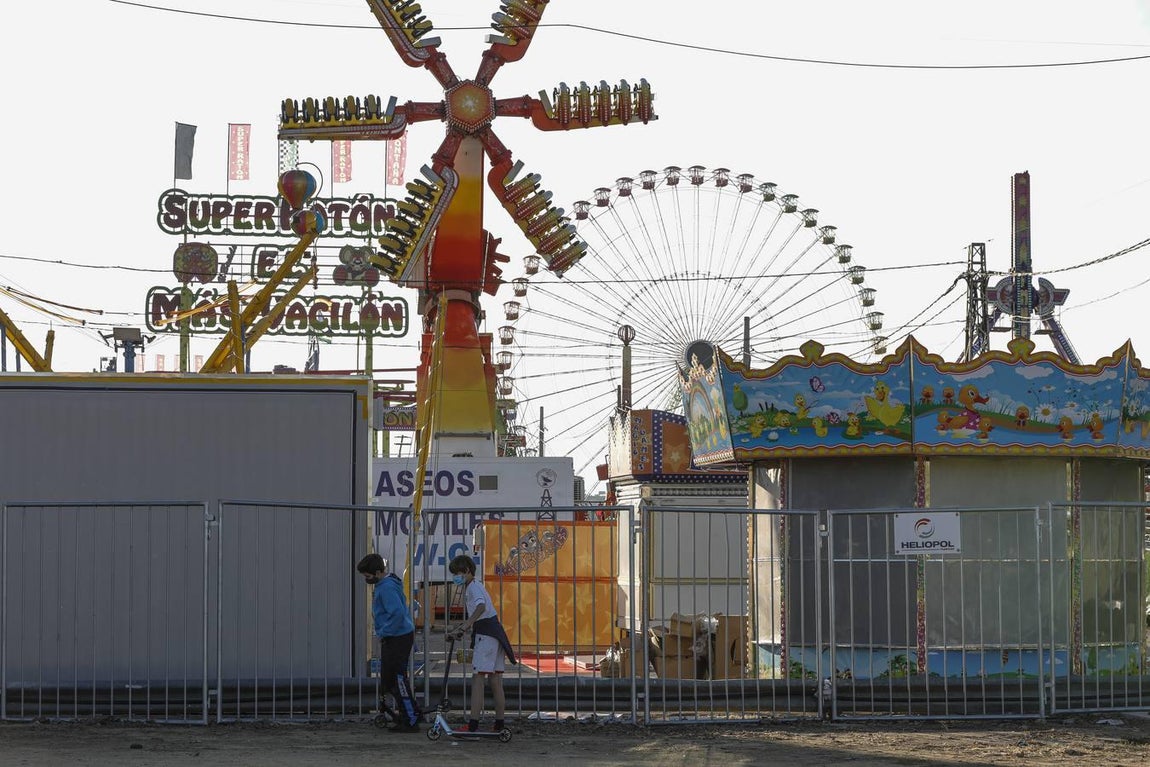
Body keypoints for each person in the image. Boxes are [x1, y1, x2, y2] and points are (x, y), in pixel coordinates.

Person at [447, 554, 517, 733]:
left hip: (486, 636)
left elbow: (480, 608)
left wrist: (466, 626)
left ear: (468, 571)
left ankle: (473, 725)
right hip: (495, 634)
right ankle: (499, 724)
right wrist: (464, 627)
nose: (456, 577)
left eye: (458, 573)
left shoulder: (472, 588)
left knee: (477, 680)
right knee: (495, 681)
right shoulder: (476, 586)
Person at [356, 553, 421, 733]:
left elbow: (397, 613)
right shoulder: (389, 584)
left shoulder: (386, 588)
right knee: (393, 680)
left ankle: (410, 718)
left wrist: (384, 631)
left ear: (377, 572)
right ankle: (411, 712)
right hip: (398, 635)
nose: (367, 580)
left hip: (396, 637)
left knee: (397, 680)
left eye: (368, 576)